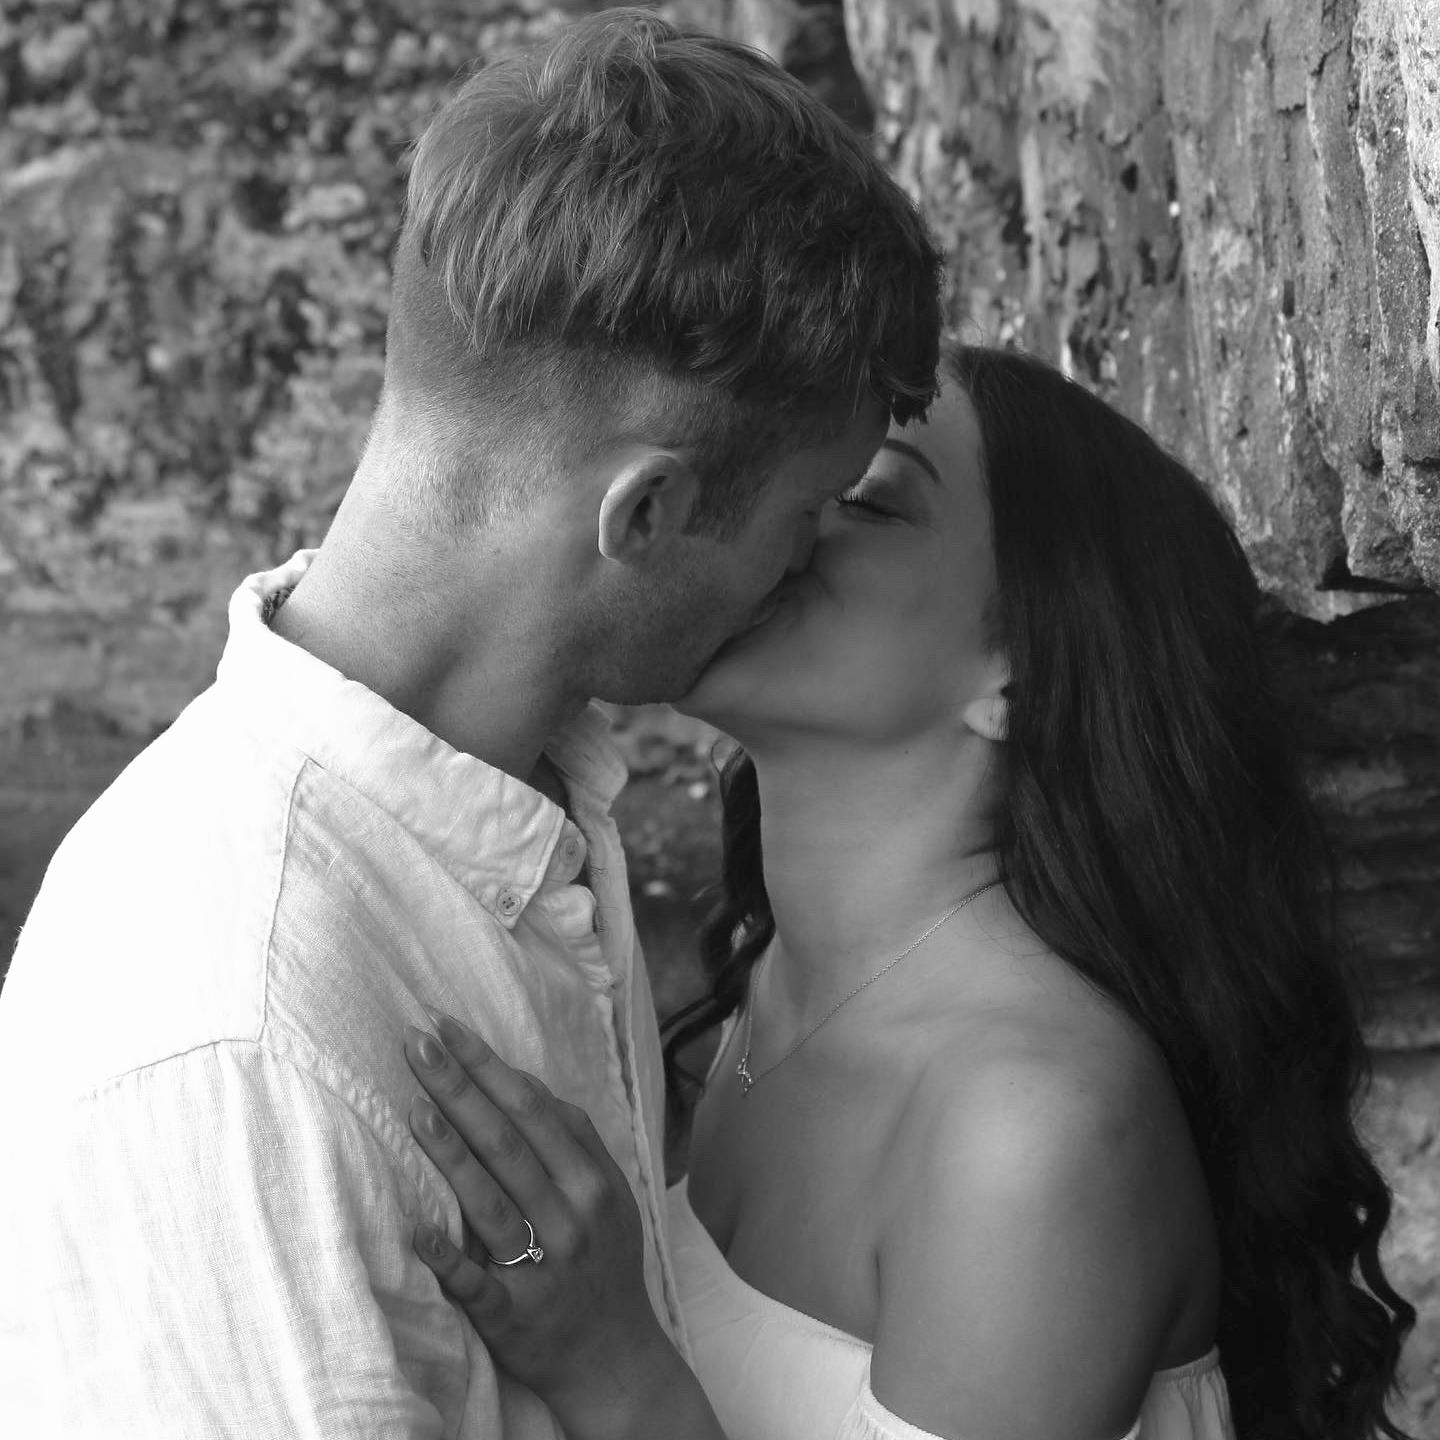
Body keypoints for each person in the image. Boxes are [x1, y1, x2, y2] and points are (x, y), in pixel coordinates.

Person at [0, 10, 945, 1436]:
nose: (806, 570)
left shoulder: (527, 812)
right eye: (806, 517)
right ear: (649, 511)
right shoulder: (240, 1037)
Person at [398, 343, 1417, 1440]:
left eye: (866, 500)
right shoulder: (775, 979)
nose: (781, 519)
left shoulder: (1029, 1125)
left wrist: (612, 1370)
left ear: (1016, 670)